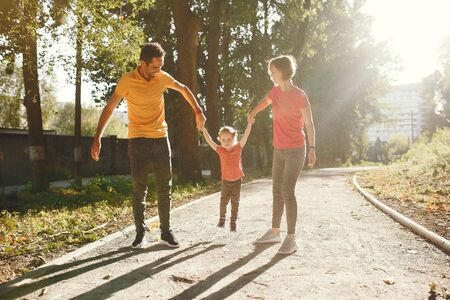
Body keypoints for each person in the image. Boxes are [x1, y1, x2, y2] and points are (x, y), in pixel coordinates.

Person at [90, 43, 206, 249]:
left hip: (161, 138)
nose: (158, 71)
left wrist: (198, 111)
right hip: (138, 140)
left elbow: (184, 88)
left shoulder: (162, 77)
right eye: (154, 67)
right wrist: (98, 137)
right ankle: (140, 233)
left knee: (164, 188)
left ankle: (166, 232)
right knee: (139, 189)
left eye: (160, 67)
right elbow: (109, 107)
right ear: (142, 64)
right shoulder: (127, 81)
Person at [248, 55, 316, 255]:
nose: (271, 75)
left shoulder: (299, 96)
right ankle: (275, 231)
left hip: (296, 149)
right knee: (276, 190)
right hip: (279, 149)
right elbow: (265, 101)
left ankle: (291, 238)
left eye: (273, 72)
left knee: (287, 191)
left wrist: (312, 148)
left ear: (283, 72)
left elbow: (309, 124)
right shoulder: (275, 92)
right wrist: (253, 112)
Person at [200, 120, 253, 232]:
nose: (226, 142)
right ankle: (222, 219)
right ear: (220, 140)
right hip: (226, 181)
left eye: (229, 139)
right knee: (223, 201)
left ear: (234, 139)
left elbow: (246, 136)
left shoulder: (238, 148)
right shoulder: (220, 150)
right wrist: (203, 129)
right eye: (223, 139)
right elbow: (209, 141)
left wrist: (249, 123)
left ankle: (233, 222)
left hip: (237, 181)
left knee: (235, 202)